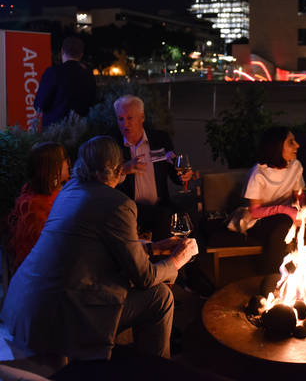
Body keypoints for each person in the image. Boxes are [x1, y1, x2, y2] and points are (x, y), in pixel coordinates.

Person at [1, 136, 198, 362]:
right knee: (160, 297)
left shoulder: (69, 190)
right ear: (115, 169)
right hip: (65, 315)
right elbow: (144, 277)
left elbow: (92, 247)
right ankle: (152, 373)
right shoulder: (119, 205)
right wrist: (177, 261)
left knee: (152, 292)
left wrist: (153, 248)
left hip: (24, 308)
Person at [113, 95, 193, 241]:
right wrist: (124, 169)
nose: (125, 124)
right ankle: (159, 262)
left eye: (130, 118)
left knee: (188, 222)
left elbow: (175, 174)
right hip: (130, 210)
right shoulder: (113, 145)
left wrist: (184, 176)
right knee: (163, 224)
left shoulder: (159, 139)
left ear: (142, 117)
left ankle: (188, 261)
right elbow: (104, 180)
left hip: (160, 204)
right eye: (120, 119)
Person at [234, 126, 305, 274]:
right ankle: (271, 276)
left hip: (287, 216)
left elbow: (298, 193)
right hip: (259, 221)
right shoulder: (258, 173)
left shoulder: (295, 166)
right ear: (277, 147)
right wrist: (286, 210)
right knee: (281, 226)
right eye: (291, 142)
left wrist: (301, 209)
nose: (297, 145)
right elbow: (254, 211)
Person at [7, 142, 70, 271]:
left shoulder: (31, 194)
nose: (68, 163)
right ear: (51, 168)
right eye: (64, 159)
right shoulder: (42, 208)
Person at [34, 36, 96, 128]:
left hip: (55, 130)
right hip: (82, 131)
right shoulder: (89, 74)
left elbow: (40, 104)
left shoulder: (53, 72)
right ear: (81, 54)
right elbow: (93, 103)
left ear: (62, 51)